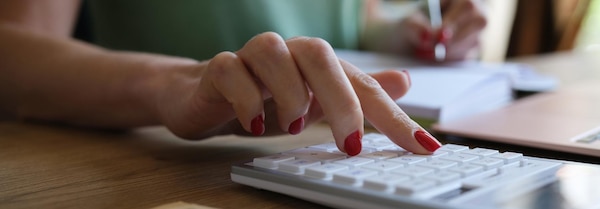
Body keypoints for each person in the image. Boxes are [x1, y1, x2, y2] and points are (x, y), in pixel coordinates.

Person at [0, 0, 486, 156]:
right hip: (175, 164)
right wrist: (171, 84)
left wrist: (403, 33)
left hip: (322, 147)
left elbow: (352, 14)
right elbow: (13, 50)